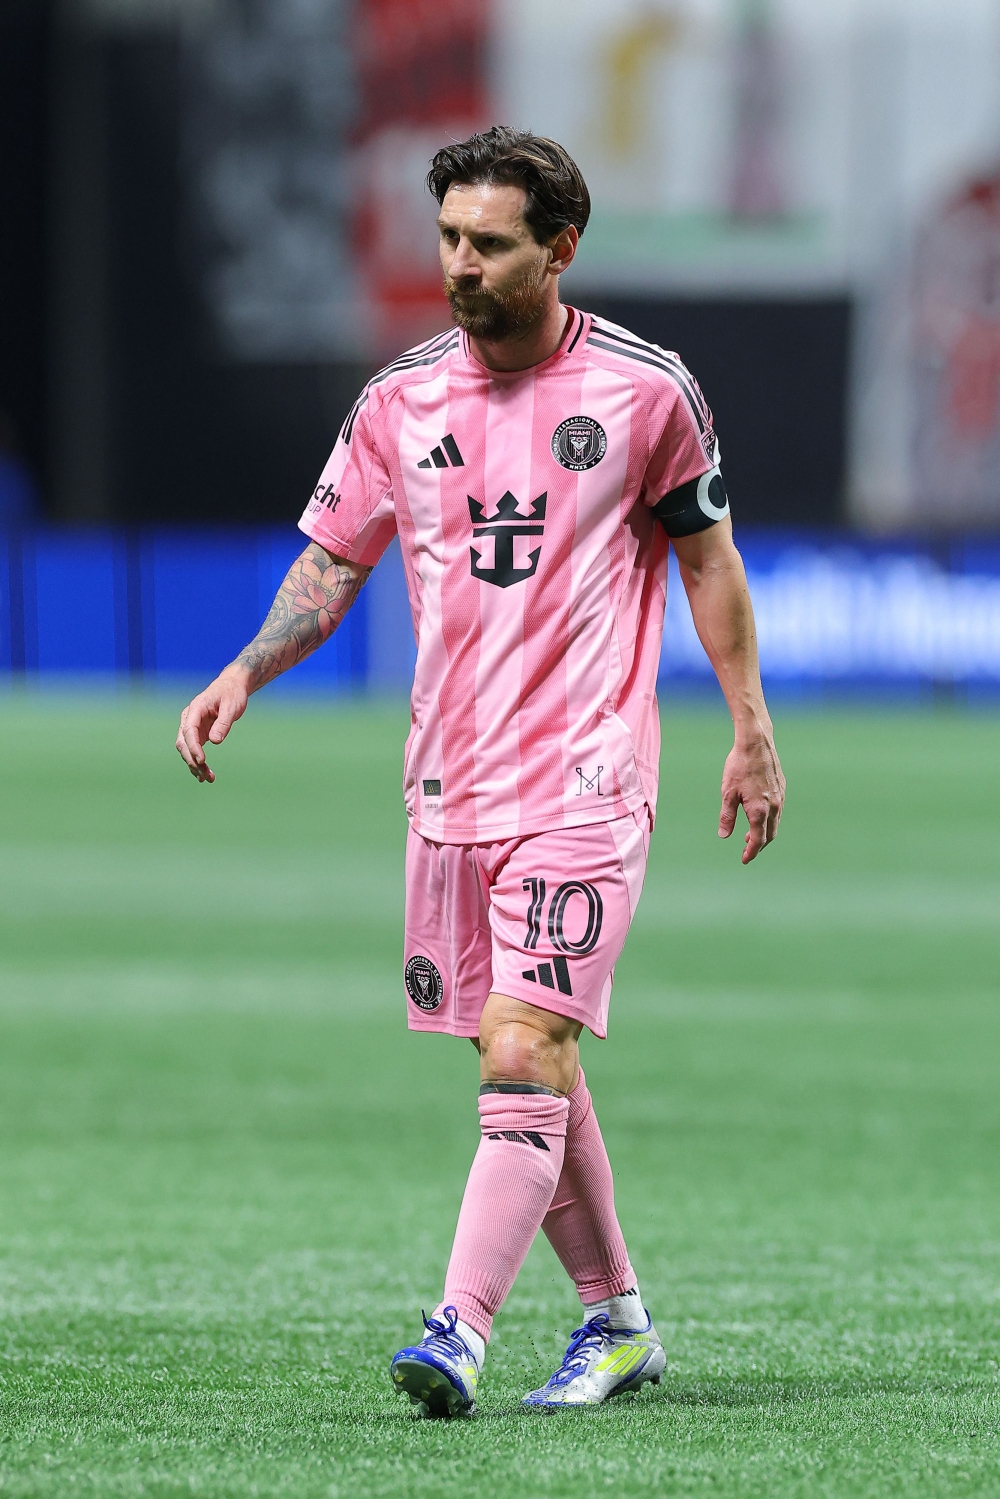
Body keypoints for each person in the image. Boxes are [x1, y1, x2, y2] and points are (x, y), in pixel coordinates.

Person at [176, 127, 785, 1416]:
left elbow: (708, 558)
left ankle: (457, 1329)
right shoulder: (402, 400)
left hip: (587, 780)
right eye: (448, 237)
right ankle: (619, 1324)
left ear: (557, 250)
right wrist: (247, 668)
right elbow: (336, 559)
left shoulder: (645, 391)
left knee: (523, 1051)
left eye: (489, 243)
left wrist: (750, 725)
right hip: (449, 788)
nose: (459, 263)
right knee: (529, 1068)